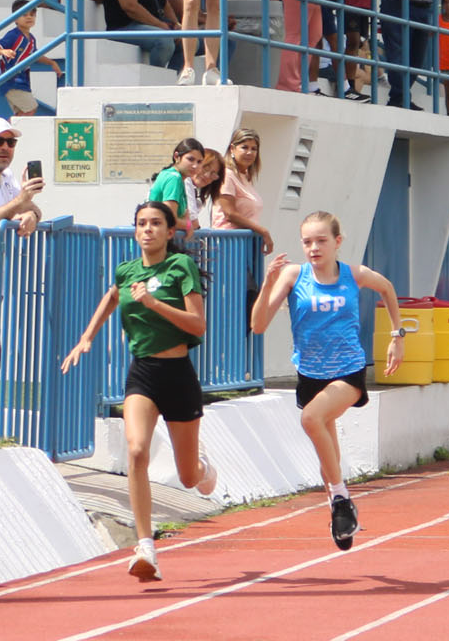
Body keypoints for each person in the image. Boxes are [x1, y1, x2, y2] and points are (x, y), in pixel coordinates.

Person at [61, 200, 216, 581]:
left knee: (188, 478)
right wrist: (86, 337)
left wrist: (153, 303)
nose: (147, 230)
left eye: (155, 224)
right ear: (135, 231)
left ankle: (203, 466)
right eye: (141, 224)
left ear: (168, 231)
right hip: (143, 373)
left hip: (178, 374)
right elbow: (113, 296)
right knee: (136, 450)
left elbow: (198, 325)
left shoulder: (181, 268)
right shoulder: (127, 271)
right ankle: (146, 546)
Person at [249, 211, 405, 550]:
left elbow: (388, 289)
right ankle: (343, 509)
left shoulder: (354, 274)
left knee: (311, 418)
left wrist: (397, 335)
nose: (314, 248)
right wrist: (266, 284)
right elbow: (258, 325)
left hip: (347, 370)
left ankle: (339, 500)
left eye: (321, 241)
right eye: (307, 242)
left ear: (337, 242)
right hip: (309, 374)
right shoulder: (293, 275)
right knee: (326, 455)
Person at [0, 0, 64, 117]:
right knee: (30, 108)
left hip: (23, 80)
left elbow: (35, 55)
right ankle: (6, 134)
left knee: (21, 112)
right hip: (11, 80)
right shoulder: (13, 35)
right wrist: (3, 51)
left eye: (32, 15)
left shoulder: (31, 39)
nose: (29, 17)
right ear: (15, 18)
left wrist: (51, 62)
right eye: (24, 14)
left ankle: (9, 133)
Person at [213, 126, 274, 250]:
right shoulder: (227, 175)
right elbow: (230, 213)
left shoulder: (245, 176)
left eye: (254, 149)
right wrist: (262, 231)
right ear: (232, 149)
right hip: (228, 244)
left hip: (244, 244)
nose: (249, 153)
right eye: (244, 147)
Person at [148, 137, 205, 234]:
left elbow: (184, 215)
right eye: (190, 159)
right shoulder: (174, 178)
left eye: (199, 162)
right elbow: (170, 219)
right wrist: (188, 226)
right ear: (176, 157)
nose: (195, 166)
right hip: (156, 240)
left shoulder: (178, 178)